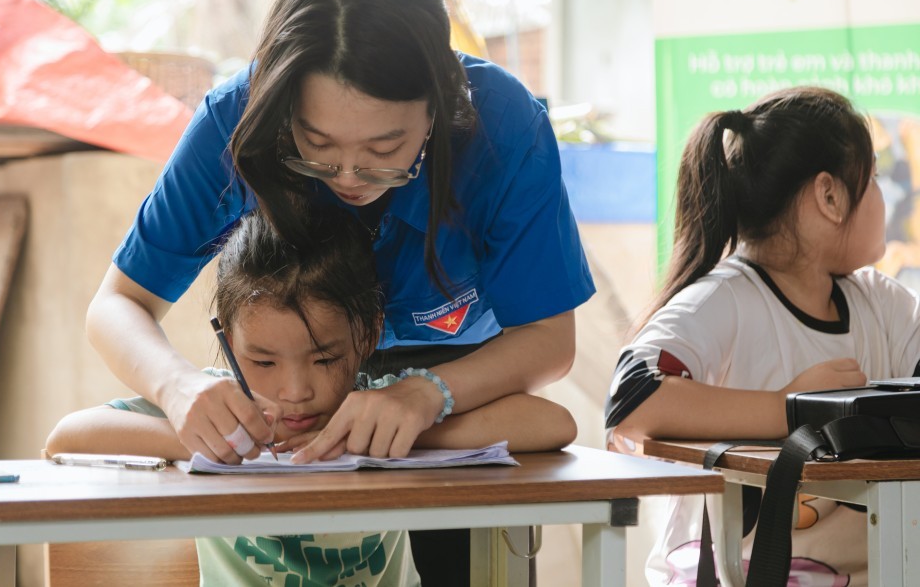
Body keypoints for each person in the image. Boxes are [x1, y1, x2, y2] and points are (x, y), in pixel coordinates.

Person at [86, 0, 594, 582]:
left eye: (385, 150)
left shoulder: (503, 126)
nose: (350, 179)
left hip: (462, 381)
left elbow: (548, 340)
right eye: (317, 146)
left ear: (438, 109)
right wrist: (175, 386)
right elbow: (117, 304)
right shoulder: (235, 119)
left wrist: (428, 396)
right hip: (301, 366)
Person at [49, 208, 578, 586]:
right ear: (227, 342)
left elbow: (553, 424)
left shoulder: (379, 401)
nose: (296, 391)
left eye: (324, 359)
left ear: (368, 335)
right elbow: (66, 436)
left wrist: (395, 432)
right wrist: (219, 442)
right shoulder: (214, 407)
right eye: (262, 362)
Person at [604, 86, 920, 585]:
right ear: (830, 196)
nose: (885, 197)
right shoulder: (724, 301)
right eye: (875, 178)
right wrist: (792, 408)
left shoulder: (885, 305)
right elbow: (631, 398)